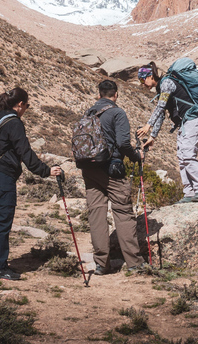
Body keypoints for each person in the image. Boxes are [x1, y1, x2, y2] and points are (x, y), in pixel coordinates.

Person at [0, 87, 62, 280]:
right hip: (3, 178)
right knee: (2, 222)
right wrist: (46, 171)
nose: (26, 109)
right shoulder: (13, 123)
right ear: (20, 105)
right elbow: (25, 153)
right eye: (26, 106)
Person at [81, 79, 145, 275]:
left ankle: (101, 263)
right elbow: (123, 143)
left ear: (99, 94)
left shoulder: (89, 113)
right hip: (112, 168)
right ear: (115, 95)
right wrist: (136, 156)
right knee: (123, 213)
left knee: (96, 213)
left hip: (89, 168)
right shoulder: (117, 113)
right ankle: (134, 263)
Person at [136, 62, 198, 203]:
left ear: (150, 76)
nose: (143, 84)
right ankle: (189, 193)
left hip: (193, 121)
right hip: (185, 124)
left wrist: (148, 125)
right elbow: (162, 114)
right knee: (182, 157)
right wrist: (152, 137)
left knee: (187, 154)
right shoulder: (161, 89)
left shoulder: (167, 83)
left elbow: (161, 106)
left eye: (142, 80)